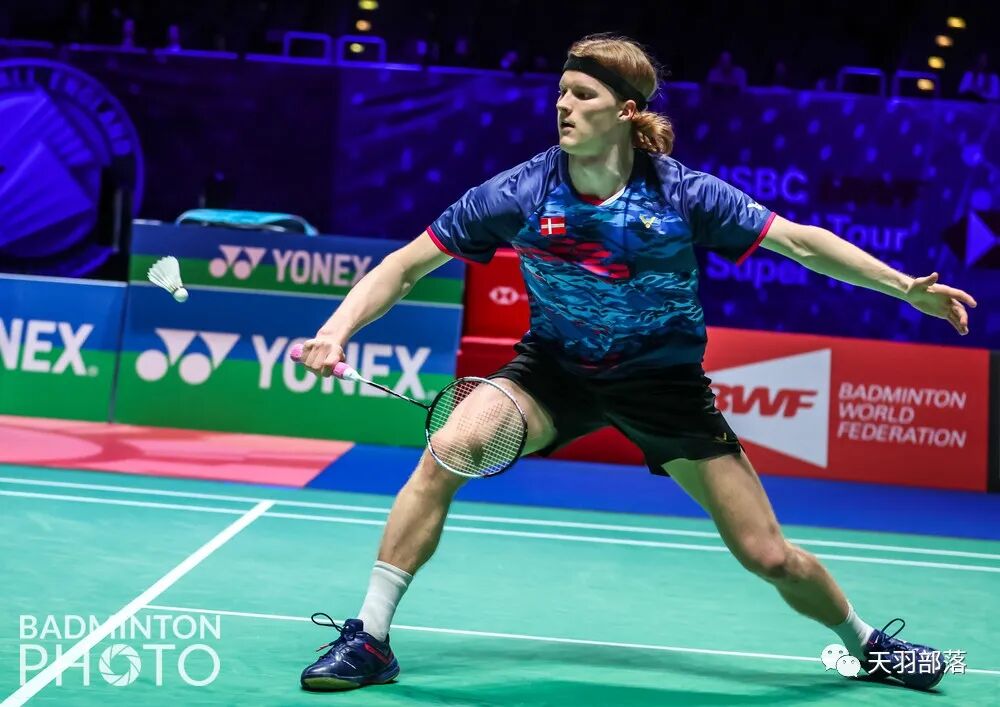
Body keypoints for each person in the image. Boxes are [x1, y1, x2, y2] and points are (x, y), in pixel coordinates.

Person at [296, 34, 976, 692]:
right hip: (554, 372)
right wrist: (335, 329)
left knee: (769, 555)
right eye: (561, 92)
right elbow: (405, 264)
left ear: (625, 111)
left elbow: (800, 242)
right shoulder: (521, 191)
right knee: (448, 449)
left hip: (664, 384)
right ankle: (370, 637)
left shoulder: (683, 194)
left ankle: (868, 646)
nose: (563, 106)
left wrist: (903, 288)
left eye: (582, 94)